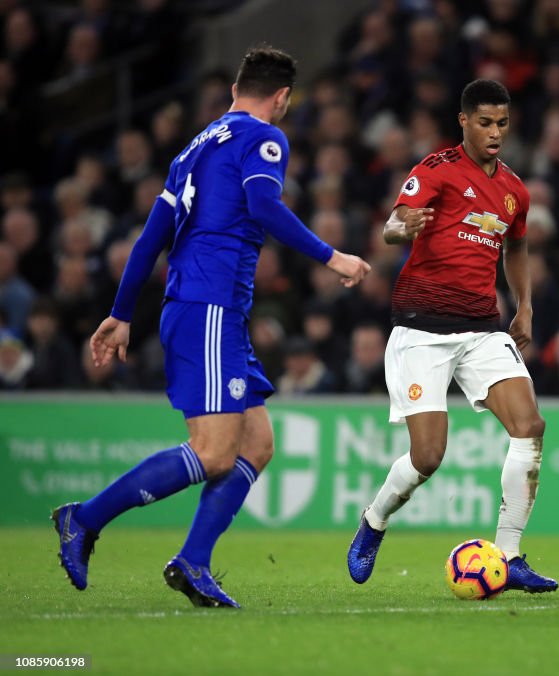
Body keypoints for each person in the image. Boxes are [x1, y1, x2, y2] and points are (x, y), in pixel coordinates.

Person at [51, 47, 370, 608]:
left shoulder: (194, 147)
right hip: (211, 307)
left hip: (207, 309)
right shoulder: (264, 139)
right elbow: (264, 206)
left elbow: (151, 239)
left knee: (258, 444)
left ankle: (194, 561)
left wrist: (122, 312)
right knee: (215, 453)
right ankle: (84, 517)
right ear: (282, 98)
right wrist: (331, 256)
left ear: (232, 92)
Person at [347, 79, 557, 593]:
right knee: (428, 458)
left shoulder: (515, 191)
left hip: (483, 327)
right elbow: (392, 225)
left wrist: (524, 304)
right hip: (422, 327)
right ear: (463, 121)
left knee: (529, 426)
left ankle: (508, 557)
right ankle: (374, 521)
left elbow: (518, 248)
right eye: (485, 122)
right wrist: (403, 228)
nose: (495, 133)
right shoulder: (436, 170)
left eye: (502, 123)